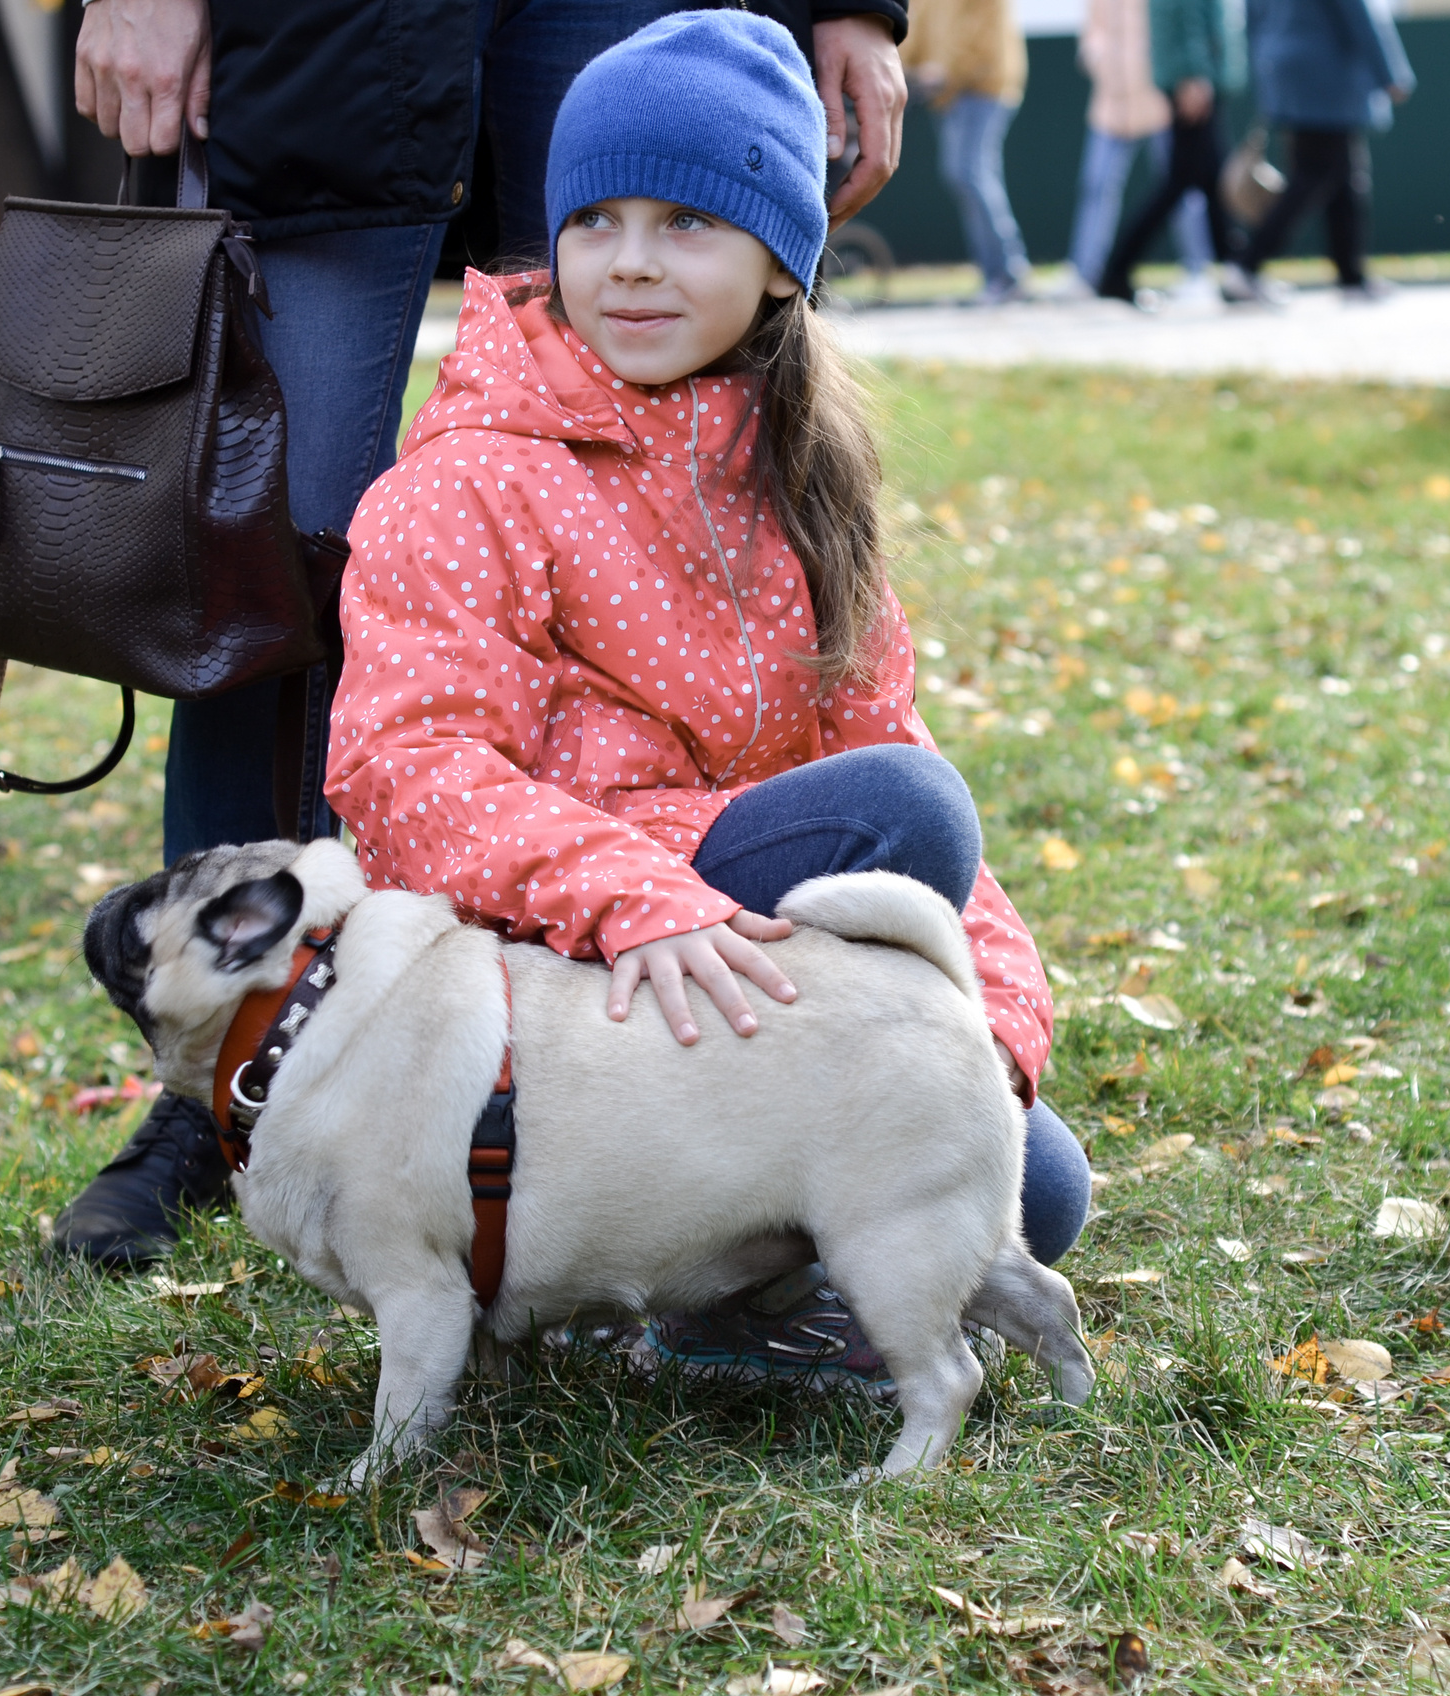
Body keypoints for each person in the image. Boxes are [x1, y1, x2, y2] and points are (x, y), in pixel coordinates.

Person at [53, 0, 915, 1268]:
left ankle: (610, 1099)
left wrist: (855, 7)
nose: (629, 253)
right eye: (603, 232)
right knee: (265, 559)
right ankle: (231, 1053)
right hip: (339, 37)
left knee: (656, 405)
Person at [325, 9, 1086, 1389]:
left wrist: (986, 1042)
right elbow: (405, 774)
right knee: (898, 814)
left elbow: (892, 756)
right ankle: (679, 1278)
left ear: (781, 263)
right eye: (596, 218)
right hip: (564, 987)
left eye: (686, 223)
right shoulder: (469, 481)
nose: (628, 261)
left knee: (1032, 1188)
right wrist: (632, 892)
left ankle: (718, 1296)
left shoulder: (800, 480)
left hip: (747, 982)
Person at [1224, 0, 1414, 306]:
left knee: (1344, 175)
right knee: (1314, 174)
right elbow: (1359, 14)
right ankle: (1246, 265)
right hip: (1326, 74)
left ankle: (1351, 275)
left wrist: (1269, 76)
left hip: (1284, 70)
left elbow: (1253, 19)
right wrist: (1391, 74)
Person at [1095, 0, 1250, 302]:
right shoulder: (1192, 74)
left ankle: (1237, 267)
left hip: (1193, 77)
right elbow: (1189, 14)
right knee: (1181, 181)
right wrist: (1194, 75)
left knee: (1209, 177)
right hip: (1194, 81)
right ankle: (1116, 270)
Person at [904, 0, 1033, 301]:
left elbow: (977, 34)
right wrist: (897, 66)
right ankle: (998, 275)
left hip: (983, 87)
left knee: (968, 172)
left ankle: (1009, 273)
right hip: (948, 93)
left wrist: (943, 69)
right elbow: (915, 26)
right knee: (965, 175)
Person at [1067, 0, 1173, 293]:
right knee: (1096, 186)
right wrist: (1098, 59)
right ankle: (1085, 272)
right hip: (1110, 104)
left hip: (1158, 101)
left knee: (1179, 188)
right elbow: (1092, 34)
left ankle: (1199, 268)